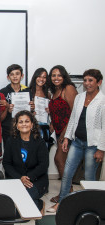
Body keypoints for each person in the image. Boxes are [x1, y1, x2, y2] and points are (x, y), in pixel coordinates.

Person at [47, 69, 105, 213]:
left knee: (89, 177)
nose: (87, 83)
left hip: (93, 145)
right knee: (67, 173)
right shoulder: (80, 98)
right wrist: (67, 137)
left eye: (90, 80)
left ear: (99, 82)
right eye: (85, 80)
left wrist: (101, 149)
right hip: (77, 142)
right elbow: (73, 118)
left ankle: (91, 207)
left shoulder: (102, 101)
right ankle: (61, 203)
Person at [3, 110, 49, 213]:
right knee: (11, 203)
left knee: (24, 199)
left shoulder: (40, 142)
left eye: (27, 121)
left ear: (32, 124)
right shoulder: (11, 141)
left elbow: (44, 165)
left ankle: (40, 204)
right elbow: (6, 163)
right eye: (21, 122)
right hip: (16, 178)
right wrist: (20, 178)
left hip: (36, 180)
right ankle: (37, 204)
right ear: (17, 125)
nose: (24, 124)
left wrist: (27, 178)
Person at [48, 65, 77, 203]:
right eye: (53, 75)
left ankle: (66, 194)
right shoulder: (54, 90)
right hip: (59, 131)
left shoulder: (69, 88)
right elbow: (57, 110)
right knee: (62, 161)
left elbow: (74, 113)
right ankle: (68, 192)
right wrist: (53, 123)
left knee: (59, 159)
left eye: (59, 75)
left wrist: (65, 134)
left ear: (64, 76)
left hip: (69, 132)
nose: (56, 78)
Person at [0, 64, 34, 150]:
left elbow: (31, 112)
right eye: (12, 74)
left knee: (24, 153)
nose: (15, 76)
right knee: (9, 153)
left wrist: (32, 108)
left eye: (17, 74)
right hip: (8, 128)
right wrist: (8, 108)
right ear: (8, 77)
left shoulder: (28, 91)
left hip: (24, 128)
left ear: (22, 76)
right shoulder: (3, 92)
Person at [29, 68, 51, 148]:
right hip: (31, 128)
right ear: (35, 77)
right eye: (39, 76)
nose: (41, 79)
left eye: (44, 77)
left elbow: (50, 115)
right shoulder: (28, 92)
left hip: (44, 128)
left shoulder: (48, 94)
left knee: (43, 152)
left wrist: (50, 111)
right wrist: (30, 111)